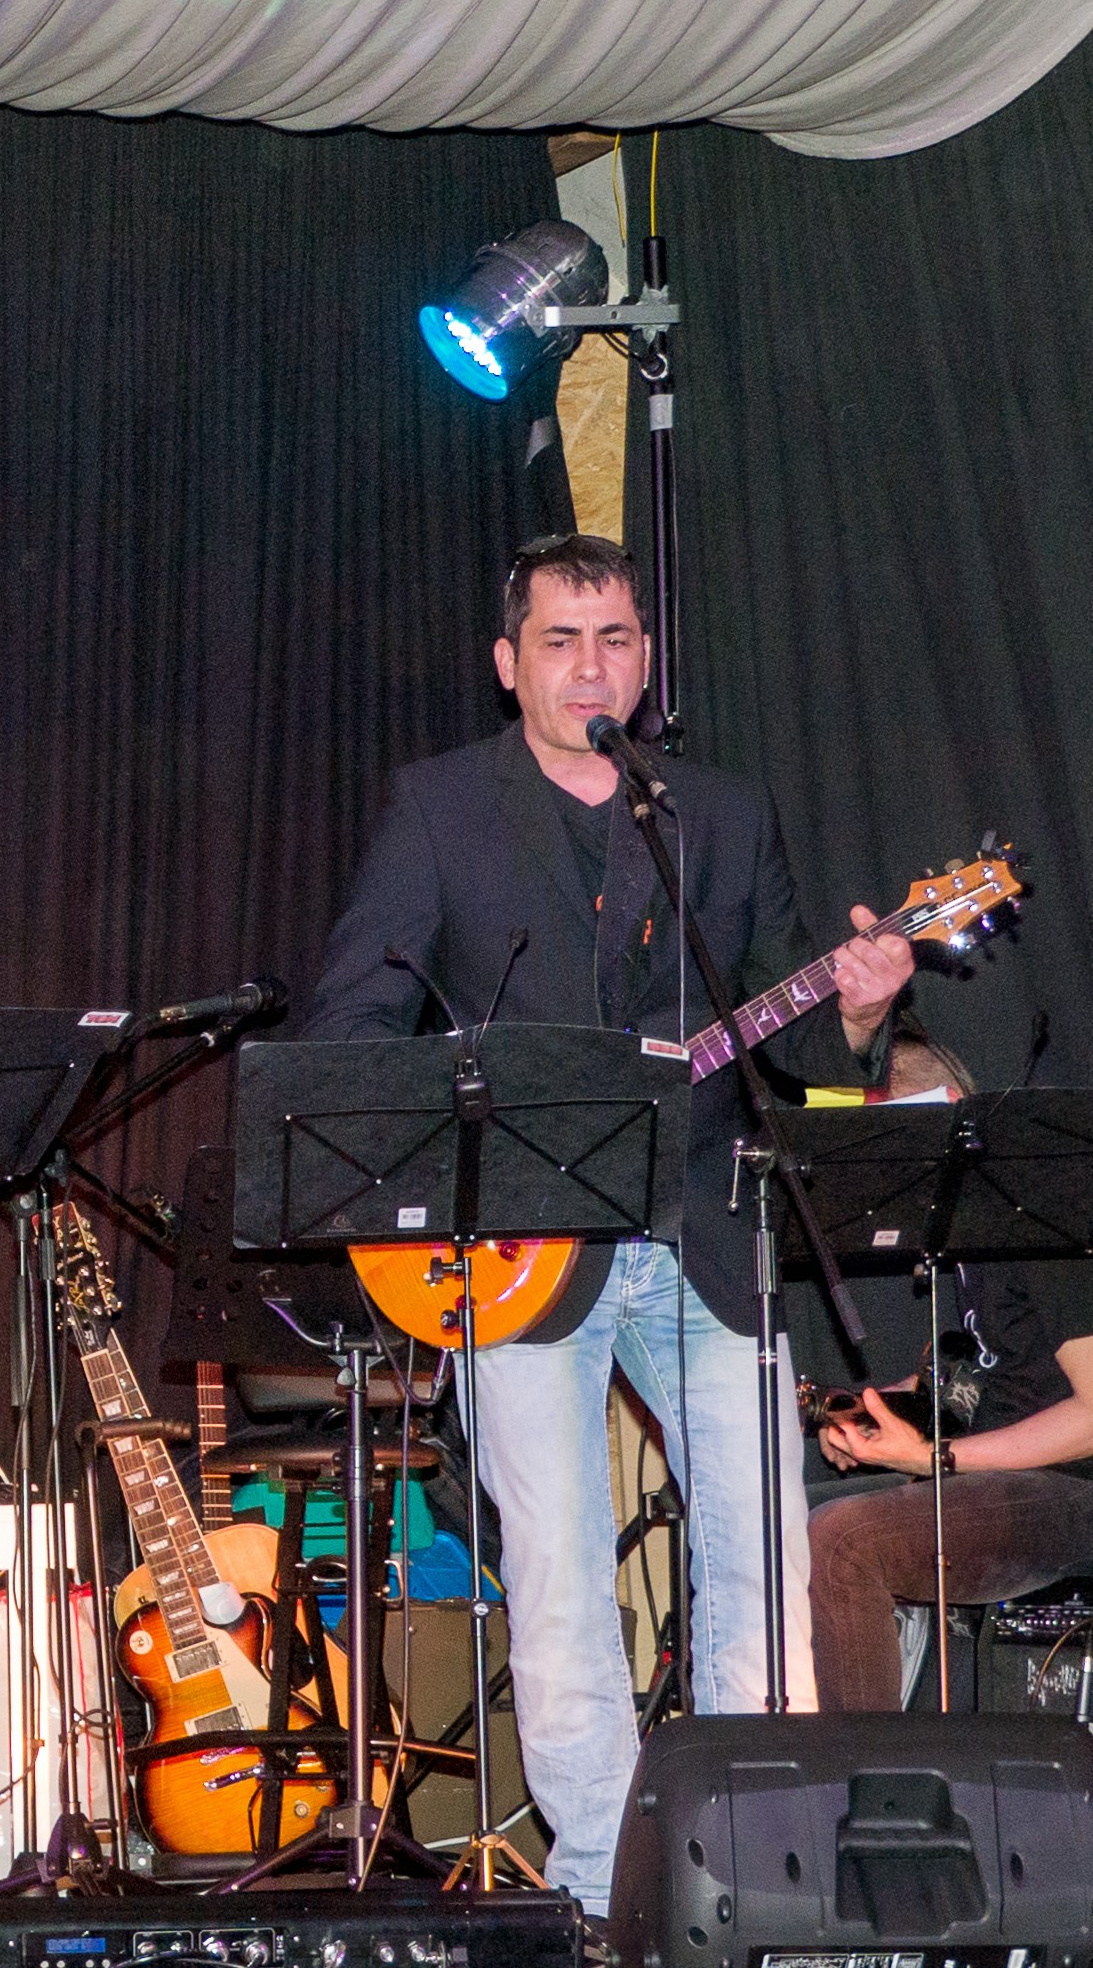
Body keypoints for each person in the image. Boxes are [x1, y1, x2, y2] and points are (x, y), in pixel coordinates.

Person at [298, 533, 916, 1906]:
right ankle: (597, 1888)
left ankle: (758, 1865)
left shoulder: (721, 812)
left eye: (618, 638)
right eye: (562, 640)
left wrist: (862, 1009)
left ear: (647, 657)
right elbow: (350, 1026)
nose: (593, 666)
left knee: (764, 1564)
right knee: (561, 1576)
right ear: (507, 660)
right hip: (513, 1249)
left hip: (703, 1229)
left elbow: (787, 1030)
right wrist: (472, 1113)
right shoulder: (438, 806)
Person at [808, 1275, 1093, 1709]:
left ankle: (866, 1754)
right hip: (1001, 1472)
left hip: (1075, 1485)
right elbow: (992, 1369)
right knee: (780, 1521)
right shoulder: (973, 1251)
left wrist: (933, 1457)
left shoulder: (1047, 1242)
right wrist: (871, 1413)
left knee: (844, 1539)